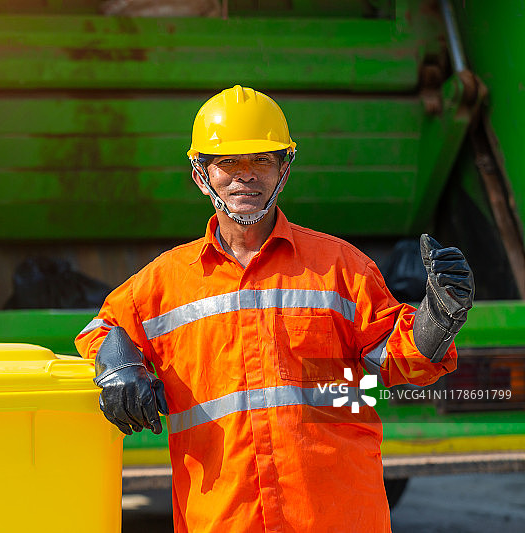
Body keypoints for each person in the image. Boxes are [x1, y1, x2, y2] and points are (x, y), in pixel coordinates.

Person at [75, 85, 474, 533]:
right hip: (224, 520)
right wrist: (118, 364)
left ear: (284, 169)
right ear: (200, 174)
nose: (245, 176)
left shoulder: (341, 267)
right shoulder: (168, 281)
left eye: (261, 161)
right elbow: (102, 328)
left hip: (334, 518)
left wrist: (437, 320)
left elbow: (396, 359)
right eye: (228, 163)